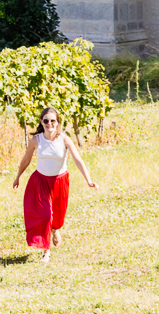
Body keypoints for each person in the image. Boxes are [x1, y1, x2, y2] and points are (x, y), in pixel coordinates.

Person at [11, 107, 98, 261]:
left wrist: (89, 180)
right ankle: (46, 251)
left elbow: (78, 160)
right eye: (46, 121)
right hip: (40, 182)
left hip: (60, 182)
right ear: (41, 122)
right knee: (45, 215)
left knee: (57, 216)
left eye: (53, 121)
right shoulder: (36, 140)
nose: (49, 124)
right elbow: (26, 160)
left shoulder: (64, 139)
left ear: (57, 123)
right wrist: (18, 177)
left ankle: (56, 228)